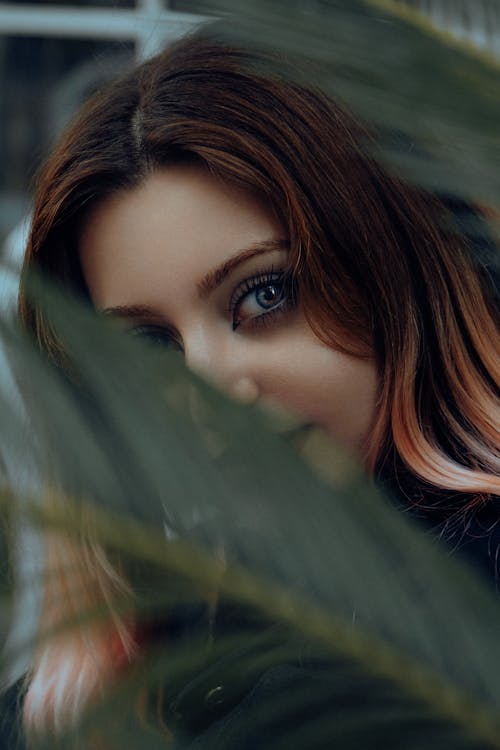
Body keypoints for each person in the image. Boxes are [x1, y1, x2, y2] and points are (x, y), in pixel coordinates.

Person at [13, 28, 500, 748]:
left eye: (266, 295)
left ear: (397, 275)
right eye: (148, 347)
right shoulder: (232, 592)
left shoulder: (420, 638)